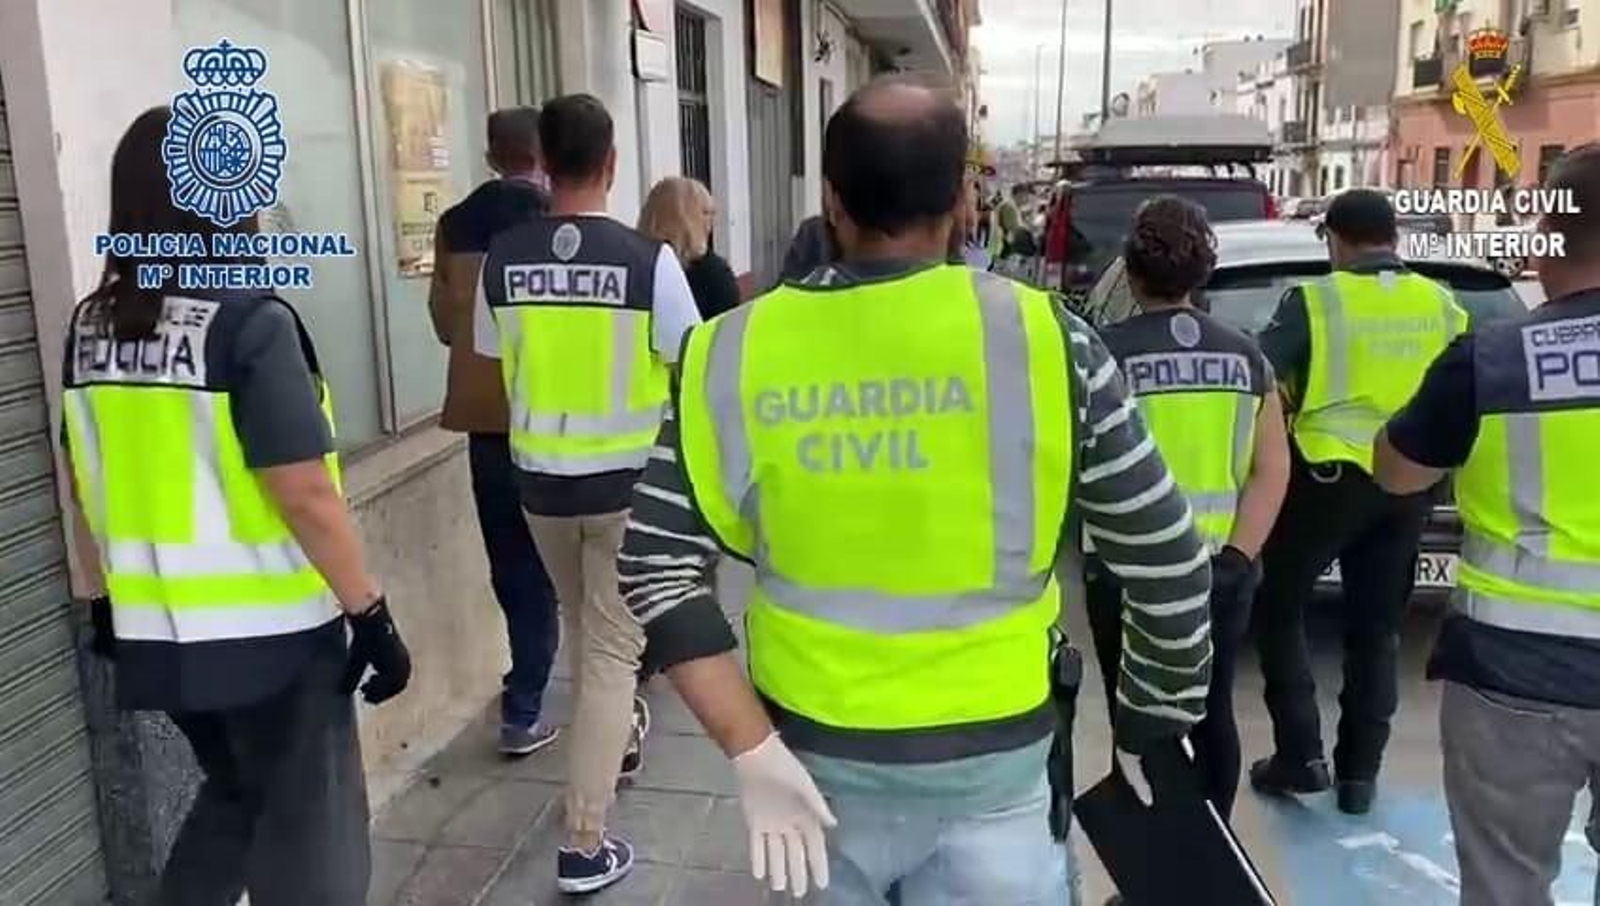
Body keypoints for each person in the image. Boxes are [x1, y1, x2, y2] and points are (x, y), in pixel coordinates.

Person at [617, 75, 1213, 903]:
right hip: (998, 779)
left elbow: (653, 567)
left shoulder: (727, 352)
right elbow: (1170, 564)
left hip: (810, 769)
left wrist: (749, 748)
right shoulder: (1051, 343)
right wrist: (1151, 722)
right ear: (966, 200)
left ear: (831, 198)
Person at [61, 107, 411, 904]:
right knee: (312, 839)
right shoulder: (248, 322)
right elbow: (304, 491)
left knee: (235, 798)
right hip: (271, 640)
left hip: (158, 635)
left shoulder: (90, 328)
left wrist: (108, 598)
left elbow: (87, 472)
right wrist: (373, 615)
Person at [472, 93, 700, 894]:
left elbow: (487, 347)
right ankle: (584, 841)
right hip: (626, 487)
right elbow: (688, 360)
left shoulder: (501, 258)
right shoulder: (649, 262)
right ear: (609, 163)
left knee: (589, 633)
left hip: (539, 485)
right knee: (610, 650)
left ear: (542, 160)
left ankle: (617, 737)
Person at [1373, 145, 1600, 906]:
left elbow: (1398, 471)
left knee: (1506, 887)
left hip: (1515, 677)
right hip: (1516, 674)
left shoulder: (1494, 358)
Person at [1250, 187, 1469, 815]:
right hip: (1410, 486)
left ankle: (1301, 756)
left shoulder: (1317, 301)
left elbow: (1265, 381)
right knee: (1376, 631)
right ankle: (1358, 778)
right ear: (1394, 238)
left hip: (1327, 480)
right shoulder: (1443, 304)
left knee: (1278, 602)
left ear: (1335, 240)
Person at [1088, 196, 1291, 821]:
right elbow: (1270, 468)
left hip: (1127, 574)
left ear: (1130, 268)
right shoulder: (1247, 357)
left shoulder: (1101, 356)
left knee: (1138, 717)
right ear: (1203, 270)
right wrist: (1237, 558)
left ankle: (1157, 869)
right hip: (1218, 569)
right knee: (1213, 709)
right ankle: (1209, 862)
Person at [427, 106, 561, 757]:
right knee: (570, 566)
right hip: (558, 417)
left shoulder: (453, 224)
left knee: (513, 567)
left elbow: (444, 324)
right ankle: (566, 701)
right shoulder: (557, 222)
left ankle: (522, 705)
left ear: (489, 155)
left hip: (484, 419)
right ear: (545, 154)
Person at [639, 176, 742, 319]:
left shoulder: (635, 264)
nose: (710, 224)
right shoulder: (715, 274)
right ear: (682, 218)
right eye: (705, 213)